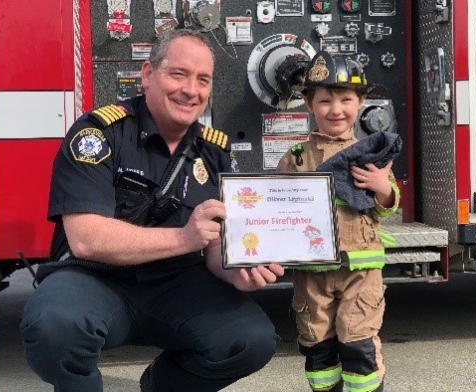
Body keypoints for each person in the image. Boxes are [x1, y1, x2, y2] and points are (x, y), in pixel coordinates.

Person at [19, 29, 285, 392]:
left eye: (202, 80)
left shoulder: (216, 154)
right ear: (148, 74)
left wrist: (236, 270)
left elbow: (215, 246)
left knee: (250, 339)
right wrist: (183, 236)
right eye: (178, 74)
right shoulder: (99, 134)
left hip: (175, 285)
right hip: (96, 279)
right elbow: (86, 239)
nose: (191, 90)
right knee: (54, 324)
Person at [275, 51, 400, 392]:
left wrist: (381, 189)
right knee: (317, 345)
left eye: (346, 99)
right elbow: (273, 207)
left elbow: (384, 208)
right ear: (308, 103)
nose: (335, 109)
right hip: (312, 272)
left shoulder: (369, 154)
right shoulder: (295, 157)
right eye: (325, 100)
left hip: (360, 271)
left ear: (361, 102)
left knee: (358, 342)